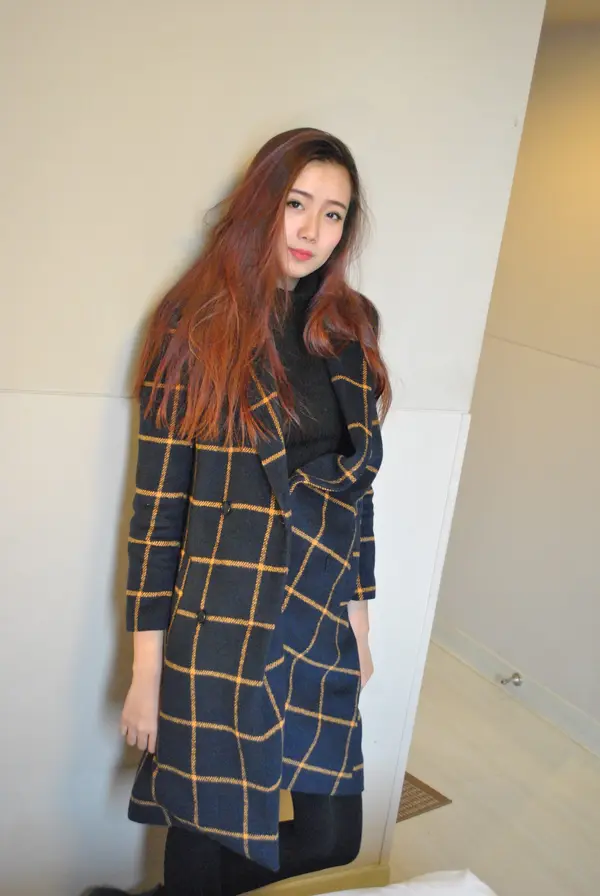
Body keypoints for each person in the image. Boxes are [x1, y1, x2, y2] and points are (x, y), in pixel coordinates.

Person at [89, 127, 392, 896]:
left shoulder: (349, 329)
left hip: (318, 620)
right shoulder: (194, 326)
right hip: (219, 628)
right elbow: (157, 517)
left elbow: (356, 500)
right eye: (297, 203)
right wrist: (147, 674)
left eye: (333, 214)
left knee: (333, 838)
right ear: (262, 204)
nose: (312, 229)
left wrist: (360, 627)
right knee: (208, 823)